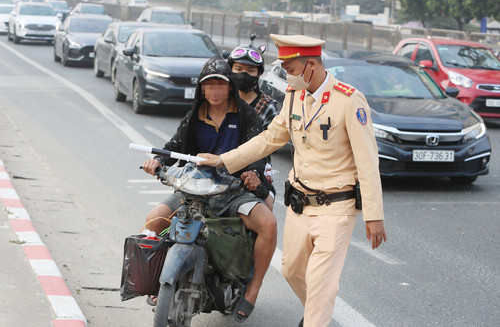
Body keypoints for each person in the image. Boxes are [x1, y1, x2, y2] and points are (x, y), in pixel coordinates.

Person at [198, 34, 387, 327]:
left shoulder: (349, 101)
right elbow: (269, 139)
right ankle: (316, 313)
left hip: (337, 207)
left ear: (311, 65)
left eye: (291, 68)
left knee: (322, 282)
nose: (287, 75)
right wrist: (224, 159)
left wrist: (374, 216)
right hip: (300, 203)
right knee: (292, 271)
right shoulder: (294, 96)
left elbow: (367, 161)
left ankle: (314, 320)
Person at [141, 56, 277, 323]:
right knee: (153, 220)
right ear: (202, 89)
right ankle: (156, 281)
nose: (214, 91)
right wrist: (157, 161)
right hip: (193, 188)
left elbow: (258, 151)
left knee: (268, 224)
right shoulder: (195, 116)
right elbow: (174, 146)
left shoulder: (246, 115)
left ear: (229, 88)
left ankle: (252, 289)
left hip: (233, 192)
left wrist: (254, 173)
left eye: (220, 85)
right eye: (209, 85)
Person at [227, 35, 280, 211]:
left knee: (267, 207)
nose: (243, 74)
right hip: (219, 163)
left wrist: (255, 171)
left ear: (258, 74)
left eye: (250, 70)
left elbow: (268, 143)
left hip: (255, 165)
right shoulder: (219, 100)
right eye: (238, 68)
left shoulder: (267, 105)